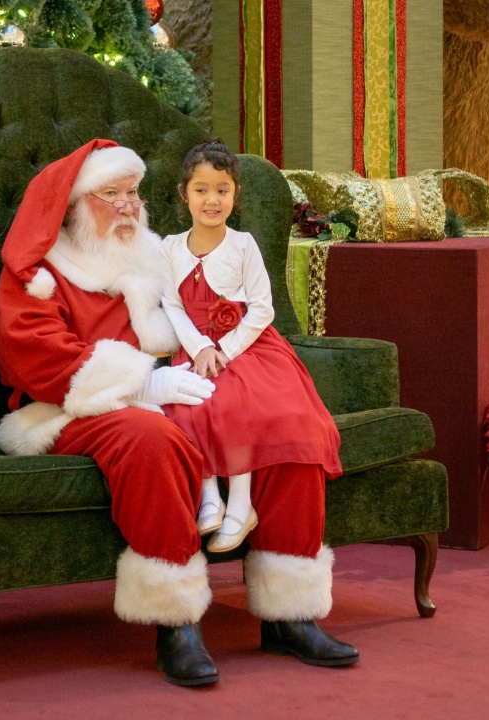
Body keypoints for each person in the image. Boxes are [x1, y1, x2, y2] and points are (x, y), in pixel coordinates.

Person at [0, 139, 359, 688]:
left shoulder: (158, 254)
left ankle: (291, 613)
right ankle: (176, 625)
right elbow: (31, 354)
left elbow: (211, 316)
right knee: (151, 437)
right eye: (111, 195)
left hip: (185, 386)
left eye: (133, 193)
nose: (128, 206)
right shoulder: (39, 273)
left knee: (284, 423)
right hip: (73, 408)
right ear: (74, 206)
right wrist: (145, 383)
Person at [160, 139, 343, 556]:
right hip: (196, 348)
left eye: (222, 190)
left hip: (246, 346)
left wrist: (224, 350)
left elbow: (263, 308)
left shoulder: (243, 245)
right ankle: (210, 497)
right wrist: (200, 348)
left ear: (235, 194)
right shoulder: (169, 247)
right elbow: (172, 305)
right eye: (201, 190)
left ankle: (241, 507)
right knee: (189, 403)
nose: (212, 200)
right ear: (184, 193)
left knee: (237, 401)